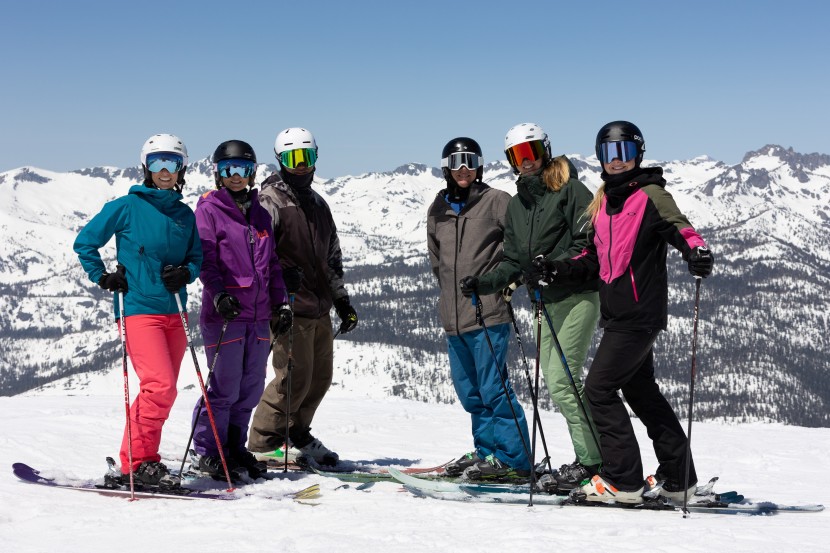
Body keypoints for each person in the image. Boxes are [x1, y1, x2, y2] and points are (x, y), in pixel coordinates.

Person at [530, 120, 714, 503]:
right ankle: (680, 478)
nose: (616, 161)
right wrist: (556, 268)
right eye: (608, 153)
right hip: (618, 317)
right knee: (642, 392)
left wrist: (696, 251)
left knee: (598, 389)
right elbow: (591, 257)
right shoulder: (604, 202)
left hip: (638, 315)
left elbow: (681, 228)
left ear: (637, 154)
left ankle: (623, 480)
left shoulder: (649, 195)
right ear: (600, 157)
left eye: (624, 152)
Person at [460, 122, 602, 491]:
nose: (525, 161)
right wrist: (486, 282)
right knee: (560, 384)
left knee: (563, 381)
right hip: (544, 301)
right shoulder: (519, 205)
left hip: (577, 296)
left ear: (545, 151)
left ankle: (593, 462)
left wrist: (554, 268)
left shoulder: (570, 190)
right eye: (516, 155)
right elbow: (512, 260)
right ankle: (591, 457)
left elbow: (589, 243)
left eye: (531, 152)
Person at [74, 133, 202, 488]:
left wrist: (186, 273)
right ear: (146, 167)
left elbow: (196, 258)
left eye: (172, 163)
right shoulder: (126, 207)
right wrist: (102, 276)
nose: (165, 170)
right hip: (138, 309)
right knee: (159, 385)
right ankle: (135, 463)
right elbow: (85, 241)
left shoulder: (183, 215)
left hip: (174, 311)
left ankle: (146, 459)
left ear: (182, 169)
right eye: (158, 162)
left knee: (165, 390)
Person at [248, 127, 358, 465]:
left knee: (319, 379)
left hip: (319, 305)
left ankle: (296, 432)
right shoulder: (270, 201)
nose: (300, 166)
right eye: (293, 159)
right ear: (280, 160)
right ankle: (264, 442)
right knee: (292, 378)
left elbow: (331, 257)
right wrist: (279, 286)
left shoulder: (317, 204)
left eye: (306, 157)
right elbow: (257, 252)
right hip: (288, 305)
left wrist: (341, 300)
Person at [427, 137, 532, 480]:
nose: (463, 169)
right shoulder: (438, 209)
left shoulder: (496, 201)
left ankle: (514, 459)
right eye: (456, 162)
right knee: (471, 393)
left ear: (479, 165)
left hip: (487, 313)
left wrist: (506, 283)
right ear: (446, 166)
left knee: (494, 389)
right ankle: (487, 452)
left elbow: (518, 248)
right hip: (453, 318)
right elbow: (437, 262)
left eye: (469, 161)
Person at [190, 140, 291, 480]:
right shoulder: (208, 209)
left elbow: (272, 265)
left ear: (252, 173)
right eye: (228, 170)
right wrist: (218, 294)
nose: (236, 176)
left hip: (259, 316)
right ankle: (207, 451)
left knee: (249, 388)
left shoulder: (259, 213)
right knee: (224, 388)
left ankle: (233, 448)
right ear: (217, 173)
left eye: (243, 170)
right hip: (226, 315)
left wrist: (282, 302)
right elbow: (205, 259)